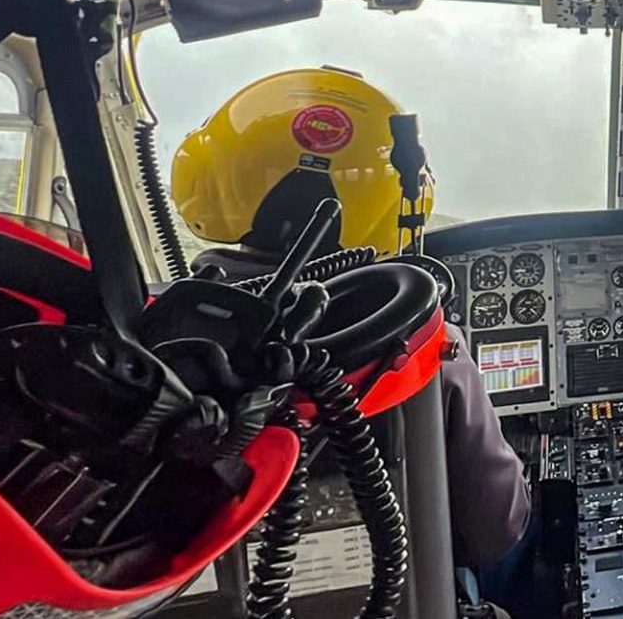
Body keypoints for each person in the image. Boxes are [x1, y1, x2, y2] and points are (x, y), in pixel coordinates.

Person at [170, 67, 533, 577]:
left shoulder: (151, 335)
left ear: (212, 173)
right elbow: (498, 530)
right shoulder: (420, 340)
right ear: (399, 197)